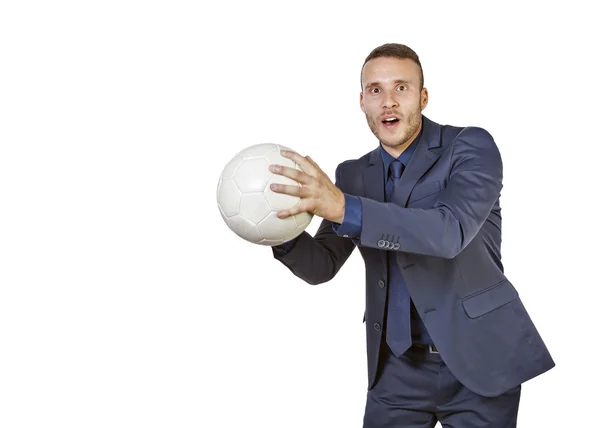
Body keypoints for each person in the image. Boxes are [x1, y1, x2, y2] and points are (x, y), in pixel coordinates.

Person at [268, 43, 554, 427]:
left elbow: (448, 232)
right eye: (375, 90)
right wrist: (274, 226)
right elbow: (322, 264)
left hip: (479, 361)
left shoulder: (470, 147)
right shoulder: (353, 175)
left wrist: (342, 207)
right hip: (396, 369)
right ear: (361, 102)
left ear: (423, 96)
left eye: (400, 88)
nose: (388, 101)